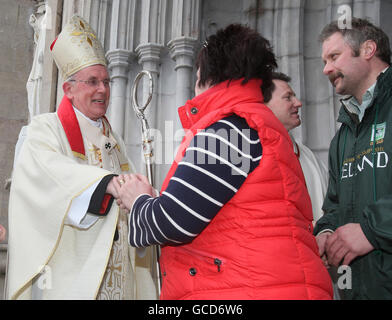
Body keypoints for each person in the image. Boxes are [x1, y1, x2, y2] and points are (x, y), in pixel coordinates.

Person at [114, 24, 333, 300]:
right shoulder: (253, 123)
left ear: (208, 76)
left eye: (196, 77)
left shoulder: (228, 130)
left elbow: (174, 222)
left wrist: (138, 200)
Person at [6, 15, 157, 300]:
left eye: (106, 81)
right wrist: (107, 184)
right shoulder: (44, 129)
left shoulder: (116, 142)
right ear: (69, 90)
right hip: (68, 280)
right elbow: (47, 179)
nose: (102, 90)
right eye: (92, 82)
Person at [316, 17, 392, 299]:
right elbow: (334, 204)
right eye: (324, 61)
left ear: (368, 49)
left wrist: (372, 229)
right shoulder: (343, 137)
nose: (326, 69)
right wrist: (326, 231)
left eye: (334, 56)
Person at [262, 72, 328, 223]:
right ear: (263, 105)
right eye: (288, 97)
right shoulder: (250, 153)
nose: (298, 103)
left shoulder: (307, 155)